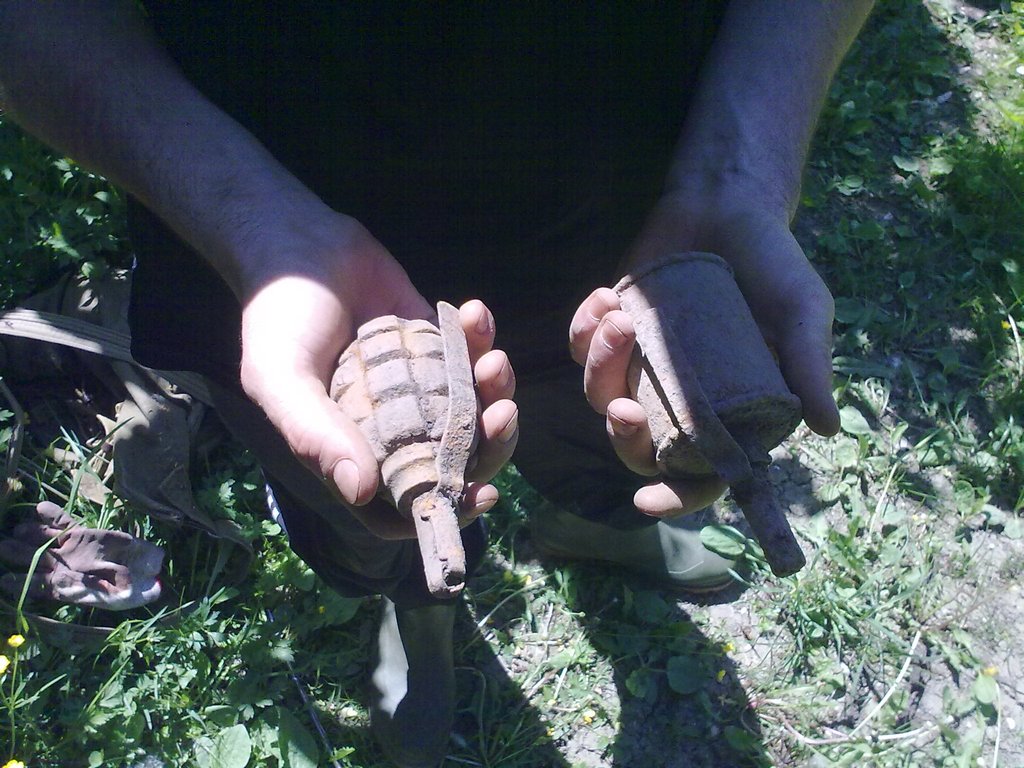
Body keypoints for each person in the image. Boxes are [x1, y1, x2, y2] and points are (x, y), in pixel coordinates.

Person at [0, 2, 873, 765]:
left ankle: (598, 525)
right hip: (276, 252)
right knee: (360, 503)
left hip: (630, 206)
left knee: (615, 429)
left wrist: (740, 169)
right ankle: (418, 616)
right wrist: (246, 217)